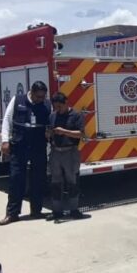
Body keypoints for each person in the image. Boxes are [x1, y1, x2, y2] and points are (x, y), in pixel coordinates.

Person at [0, 81, 51, 225]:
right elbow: (7, 121)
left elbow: (50, 124)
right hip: (19, 145)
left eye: (43, 97)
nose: (40, 100)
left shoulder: (47, 105)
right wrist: (5, 141)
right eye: (38, 97)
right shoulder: (18, 100)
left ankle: (36, 211)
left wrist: (49, 132)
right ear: (31, 92)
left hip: (38, 146)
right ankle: (12, 214)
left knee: (38, 179)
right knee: (16, 179)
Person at [47, 92, 87, 222]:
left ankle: (74, 210)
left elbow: (81, 134)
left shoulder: (76, 115)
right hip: (55, 152)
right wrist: (48, 134)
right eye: (55, 107)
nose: (57, 109)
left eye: (59, 106)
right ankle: (57, 211)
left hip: (70, 152)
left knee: (72, 181)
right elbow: (49, 132)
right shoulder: (52, 116)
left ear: (66, 103)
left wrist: (64, 131)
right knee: (55, 182)